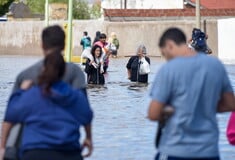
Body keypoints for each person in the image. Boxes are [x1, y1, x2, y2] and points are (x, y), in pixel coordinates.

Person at [1, 25, 91, 157]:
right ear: (64, 45)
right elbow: (85, 111)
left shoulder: (26, 76)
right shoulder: (75, 73)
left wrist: (3, 147)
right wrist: (88, 138)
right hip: (68, 146)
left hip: (31, 147)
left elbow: (11, 116)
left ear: (42, 45)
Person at [148, 28, 235, 160]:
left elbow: (153, 114)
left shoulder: (168, 69)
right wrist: (205, 106)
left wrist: (172, 110)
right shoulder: (216, 66)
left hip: (175, 150)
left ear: (170, 45)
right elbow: (230, 104)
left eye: (164, 53)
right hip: (209, 151)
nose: (166, 58)